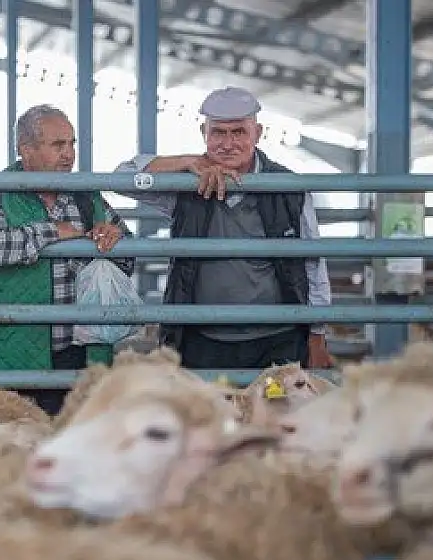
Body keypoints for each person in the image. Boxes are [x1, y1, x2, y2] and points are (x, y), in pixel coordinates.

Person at [114, 86, 334, 371]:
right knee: (206, 414)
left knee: (273, 414)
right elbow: (120, 178)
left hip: (277, 338)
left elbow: (314, 264)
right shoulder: (184, 185)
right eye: (218, 132)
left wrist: (317, 336)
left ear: (258, 133)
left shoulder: (289, 188)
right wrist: (189, 162)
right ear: (203, 133)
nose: (228, 143)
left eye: (239, 132)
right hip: (202, 338)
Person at [0, 104, 135, 416]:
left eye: (72, 144)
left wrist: (114, 237)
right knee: (11, 447)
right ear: (26, 150)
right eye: (58, 145)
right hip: (12, 351)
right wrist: (51, 232)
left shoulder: (86, 195)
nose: (69, 154)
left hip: (80, 352)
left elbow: (129, 256)